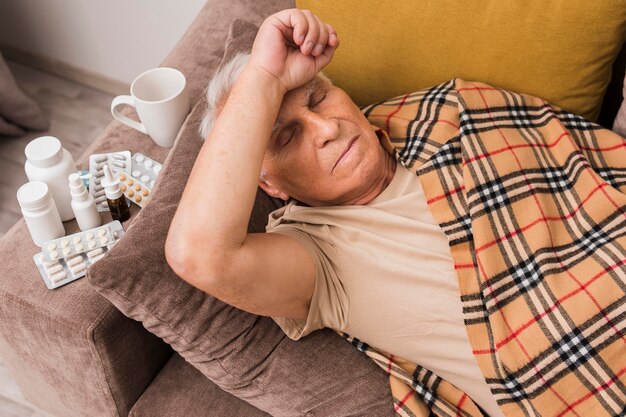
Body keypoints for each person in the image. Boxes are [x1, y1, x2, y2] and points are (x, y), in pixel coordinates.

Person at [165, 8, 626, 417]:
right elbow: (199, 255)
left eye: (320, 99)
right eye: (285, 138)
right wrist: (263, 75)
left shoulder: (448, 113)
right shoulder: (316, 255)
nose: (326, 129)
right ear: (270, 185)